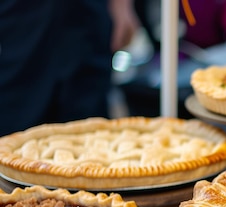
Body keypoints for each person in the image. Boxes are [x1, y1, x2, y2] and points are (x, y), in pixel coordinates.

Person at [0, 0, 139, 137]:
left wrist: (122, 4)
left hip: (86, 20)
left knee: (89, 129)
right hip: (19, 23)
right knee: (18, 128)